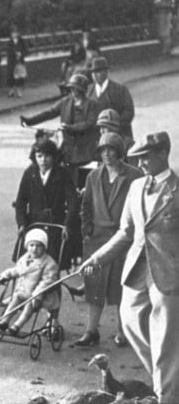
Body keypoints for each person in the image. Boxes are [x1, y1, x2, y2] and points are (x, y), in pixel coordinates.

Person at [81, 132, 179, 404]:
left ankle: (167, 399)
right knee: (131, 321)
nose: (141, 163)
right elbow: (126, 232)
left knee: (166, 336)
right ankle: (169, 379)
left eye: (146, 157)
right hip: (137, 269)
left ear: (163, 153)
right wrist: (97, 258)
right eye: (138, 158)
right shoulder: (136, 187)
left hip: (171, 273)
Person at [75, 132, 143, 347]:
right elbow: (85, 206)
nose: (107, 154)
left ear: (119, 152)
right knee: (95, 287)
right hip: (96, 239)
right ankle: (91, 330)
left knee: (120, 287)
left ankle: (123, 331)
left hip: (122, 239)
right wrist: (87, 230)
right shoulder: (93, 176)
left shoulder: (134, 175)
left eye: (111, 149)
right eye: (103, 150)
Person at [20, 73, 99, 188]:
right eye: (71, 88)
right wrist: (30, 121)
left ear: (82, 90)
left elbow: (90, 124)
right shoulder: (65, 102)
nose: (73, 91)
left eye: (76, 88)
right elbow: (49, 113)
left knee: (78, 177)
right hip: (67, 149)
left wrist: (71, 128)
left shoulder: (92, 105)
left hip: (84, 150)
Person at [13, 138, 80, 269]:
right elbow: (20, 201)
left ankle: (53, 287)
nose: (43, 160)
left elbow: (73, 201)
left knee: (54, 263)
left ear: (54, 157)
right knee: (29, 262)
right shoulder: (29, 173)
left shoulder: (62, 174)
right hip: (34, 224)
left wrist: (67, 224)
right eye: (39, 156)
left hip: (56, 225)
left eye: (47, 156)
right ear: (34, 157)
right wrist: (21, 223)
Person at [0, 228, 60, 336]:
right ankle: (5, 321)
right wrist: (5, 275)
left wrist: (36, 294)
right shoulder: (24, 259)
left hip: (40, 296)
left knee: (29, 304)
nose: (34, 249)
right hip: (23, 292)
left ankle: (17, 325)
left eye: (39, 246)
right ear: (27, 246)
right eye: (31, 245)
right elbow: (17, 270)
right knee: (15, 298)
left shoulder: (49, 263)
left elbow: (47, 282)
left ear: (45, 247)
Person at [88, 57, 134, 140]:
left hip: (118, 136)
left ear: (106, 72)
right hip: (96, 137)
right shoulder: (88, 91)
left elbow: (129, 111)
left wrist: (115, 125)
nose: (94, 75)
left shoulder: (120, 90)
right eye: (92, 72)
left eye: (98, 71)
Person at [6, 26, 28, 98]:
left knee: (20, 77)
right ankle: (11, 90)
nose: (14, 34)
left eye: (15, 32)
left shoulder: (21, 41)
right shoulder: (9, 42)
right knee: (11, 76)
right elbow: (8, 52)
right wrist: (14, 54)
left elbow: (26, 51)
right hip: (12, 62)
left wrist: (21, 53)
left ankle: (19, 91)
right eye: (13, 33)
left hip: (19, 62)